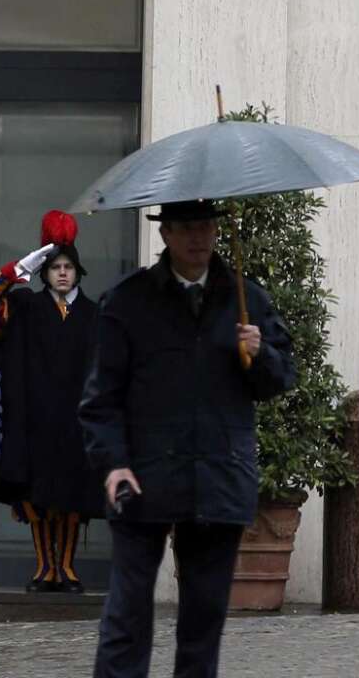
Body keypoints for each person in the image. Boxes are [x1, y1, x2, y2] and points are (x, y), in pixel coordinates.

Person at [78, 200, 295, 678]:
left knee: (203, 621)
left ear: (217, 231)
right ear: (166, 234)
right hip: (143, 476)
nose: (199, 239)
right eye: (187, 229)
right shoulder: (129, 301)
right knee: (127, 615)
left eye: (206, 228)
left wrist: (259, 355)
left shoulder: (247, 299)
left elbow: (280, 381)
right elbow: (101, 397)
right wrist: (113, 462)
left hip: (218, 475)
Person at [0, 210, 104, 593]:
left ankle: (67, 567)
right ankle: (45, 568)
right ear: (44, 272)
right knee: (38, 497)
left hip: (78, 421)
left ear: (78, 272)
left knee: (73, 498)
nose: (62, 273)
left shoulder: (95, 314)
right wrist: (14, 271)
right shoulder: (25, 306)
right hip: (34, 418)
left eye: (68, 267)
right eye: (55, 267)